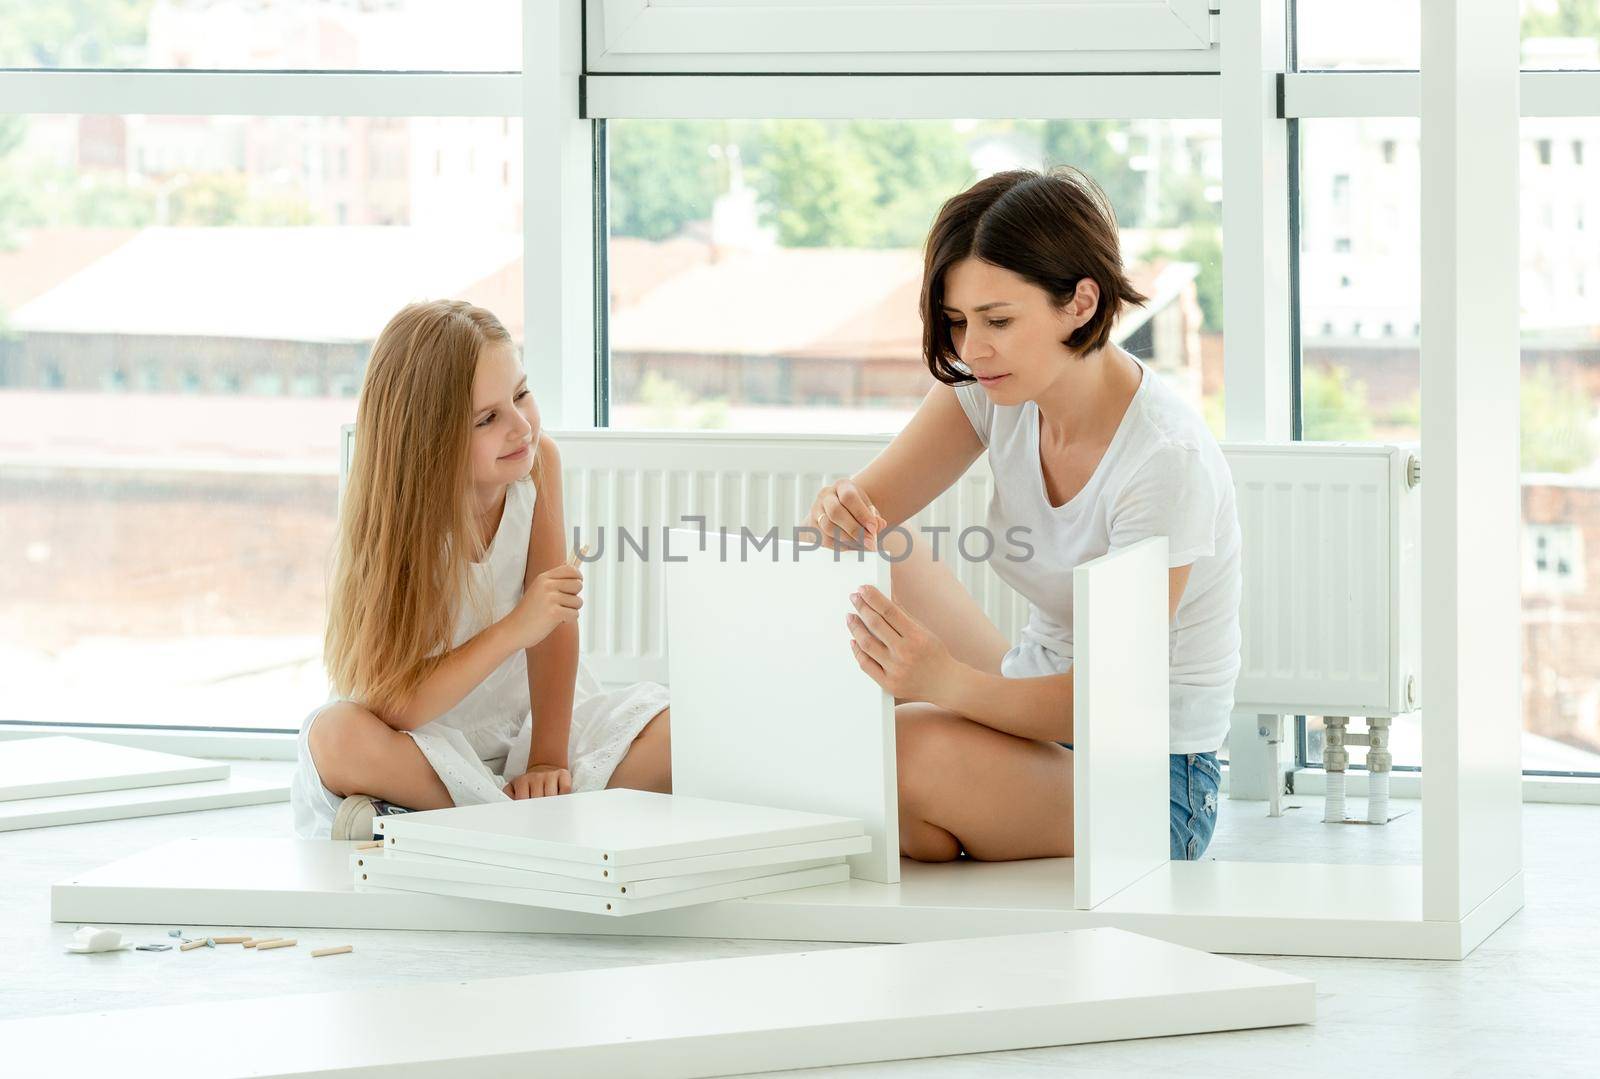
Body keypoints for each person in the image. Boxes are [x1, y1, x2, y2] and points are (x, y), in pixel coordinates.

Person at [808, 167, 1241, 863]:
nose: (972, 350)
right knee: (873, 544)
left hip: (1150, 776)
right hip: (1030, 706)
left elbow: (1112, 699)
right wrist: (836, 509)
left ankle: (937, 810)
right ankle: (939, 812)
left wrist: (940, 683)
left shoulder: (1164, 460)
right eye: (958, 322)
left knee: (900, 747)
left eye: (998, 320)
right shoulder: (994, 392)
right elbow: (857, 519)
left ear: (1079, 302)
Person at [290, 300, 671, 840]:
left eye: (521, 394)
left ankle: (470, 820)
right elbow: (394, 708)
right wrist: (516, 627)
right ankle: (533, 824)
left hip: (530, 726)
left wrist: (545, 760)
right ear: (428, 443)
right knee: (336, 737)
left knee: (682, 731)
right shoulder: (400, 518)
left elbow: (555, 630)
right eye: (487, 418)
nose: (521, 427)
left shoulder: (539, 466)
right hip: (426, 737)